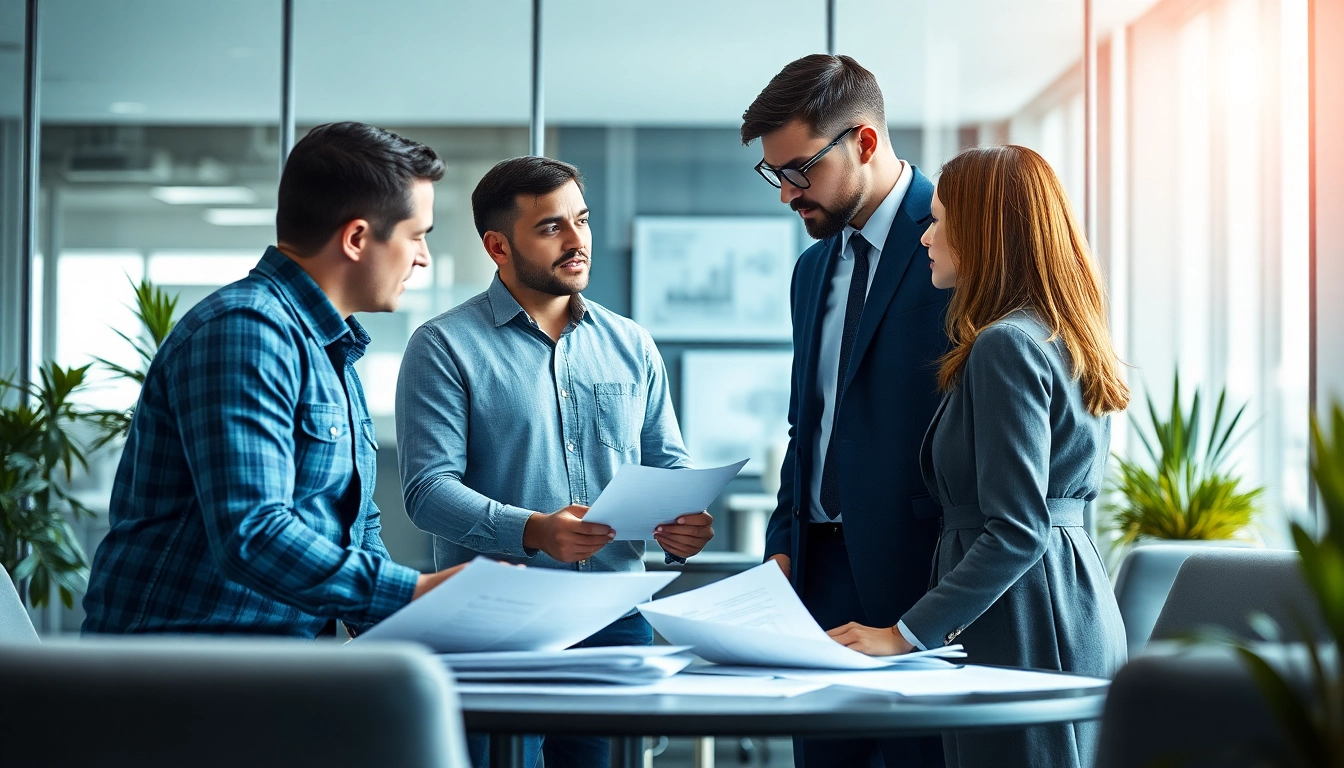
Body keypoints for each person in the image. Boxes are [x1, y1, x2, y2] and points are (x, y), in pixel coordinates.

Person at [83, 122, 464, 637]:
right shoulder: (246, 330)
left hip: (272, 666)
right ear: (356, 238)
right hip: (182, 672)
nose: (422, 256)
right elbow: (253, 533)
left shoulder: (331, 346)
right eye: (416, 236)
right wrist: (412, 595)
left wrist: (405, 617)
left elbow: (355, 523)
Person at [395, 155, 714, 768]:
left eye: (582, 221)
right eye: (550, 228)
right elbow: (428, 491)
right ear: (498, 246)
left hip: (616, 618)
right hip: (497, 622)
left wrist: (683, 527)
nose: (577, 242)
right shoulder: (443, 346)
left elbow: (669, 465)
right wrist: (535, 530)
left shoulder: (631, 344)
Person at [827, 145, 1129, 768]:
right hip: (1063, 600)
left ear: (983, 231)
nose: (926, 237)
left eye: (938, 220)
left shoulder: (1004, 346)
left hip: (1024, 618)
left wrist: (901, 635)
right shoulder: (1054, 332)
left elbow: (1016, 530)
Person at [741, 54, 950, 768]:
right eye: (776, 176)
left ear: (864, 142)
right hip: (817, 574)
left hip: (921, 574)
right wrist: (782, 542)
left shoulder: (955, 241)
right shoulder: (812, 269)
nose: (786, 195)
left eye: (798, 170)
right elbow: (810, 425)